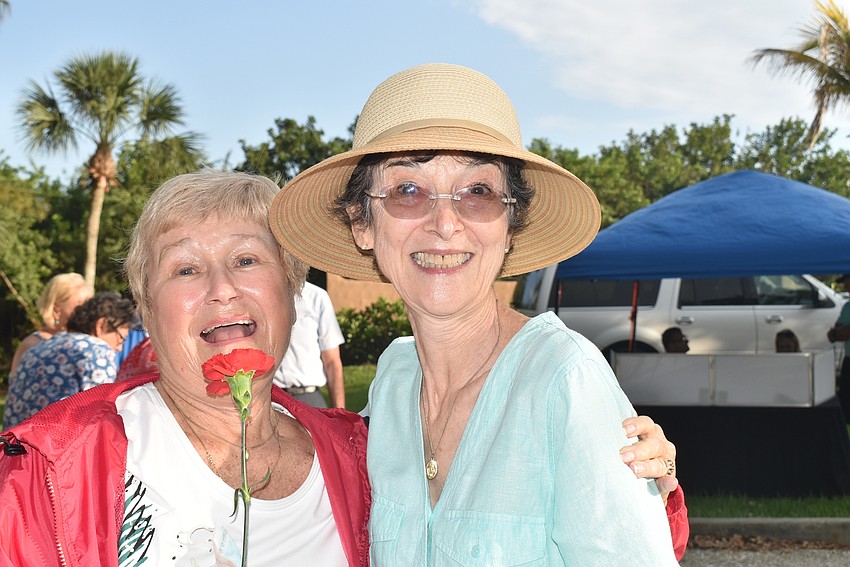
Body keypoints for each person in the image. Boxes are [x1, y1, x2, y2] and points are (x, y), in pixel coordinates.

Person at [270, 63, 685, 564]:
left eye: (478, 192)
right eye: (407, 190)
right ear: (362, 223)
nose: (445, 223)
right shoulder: (395, 379)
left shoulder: (565, 379)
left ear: (511, 224)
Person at [0, 171, 370, 566]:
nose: (222, 288)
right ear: (147, 308)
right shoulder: (43, 473)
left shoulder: (364, 462)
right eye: (186, 269)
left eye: (246, 259)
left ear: (293, 293)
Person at [2, 291, 135, 430]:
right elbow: (98, 419)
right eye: (121, 339)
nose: (120, 348)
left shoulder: (44, 345)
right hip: (50, 448)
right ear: (101, 325)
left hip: (11, 445)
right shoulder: (97, 350)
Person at [273, 281, 346, 408]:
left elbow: (332, 362)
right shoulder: (258, 296)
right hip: (270, 398)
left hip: (309, 399)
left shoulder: (317, 297)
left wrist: (340, 412)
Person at [9, 272, 93, 377]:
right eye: (80, 307)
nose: (88, 312)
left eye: (89, 305)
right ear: (56, 311)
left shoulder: (89, 341)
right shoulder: (33, 345)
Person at [828, 274, 850, 421]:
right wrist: (839, 332)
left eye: (846, 282)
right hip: (849, 360)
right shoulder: (848, 306)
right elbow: (833, 335)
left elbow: (840, 332)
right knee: (846, 406)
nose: (845, 287)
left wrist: (839, 332)